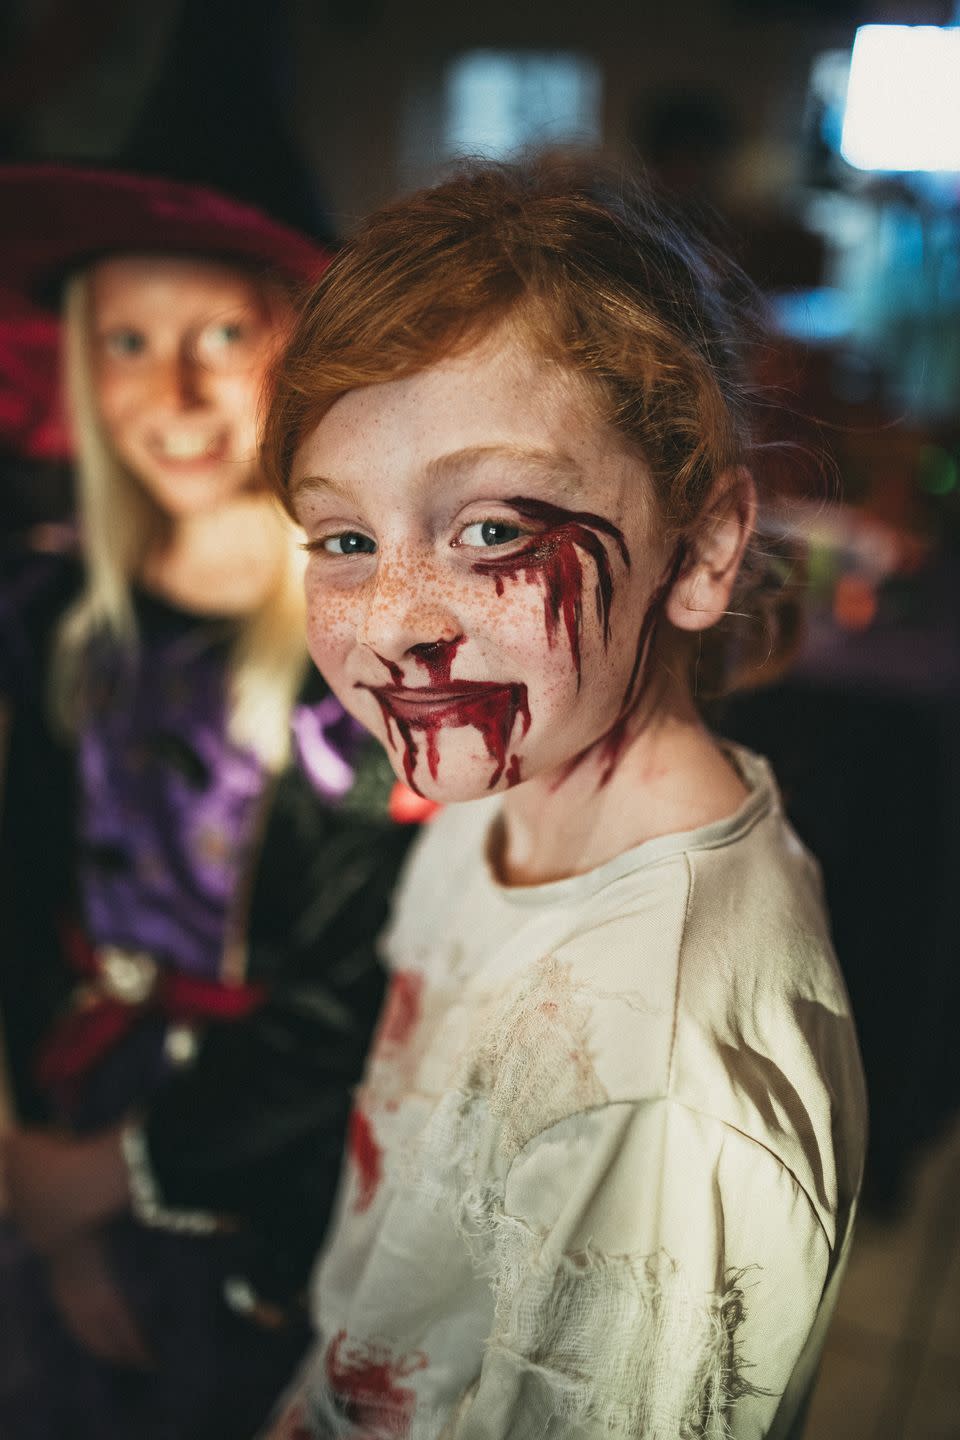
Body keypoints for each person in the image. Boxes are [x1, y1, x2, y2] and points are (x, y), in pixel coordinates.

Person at [261, 157, 867, 1440]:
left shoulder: (654, 1083)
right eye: (344, 540)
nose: (395, 633)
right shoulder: (496, 791)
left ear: (700, 550)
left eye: (489, 530)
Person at [0, 164, 417, 1439]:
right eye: (127, 341)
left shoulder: (375, 656)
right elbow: (23, 893)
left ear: (300, 353)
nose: (171, 392)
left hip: (271, 1201)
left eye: (219, 336)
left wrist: (110, 1177)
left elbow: (364, 989)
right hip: (56, 1132)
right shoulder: (55, 616)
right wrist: (35, 1173)